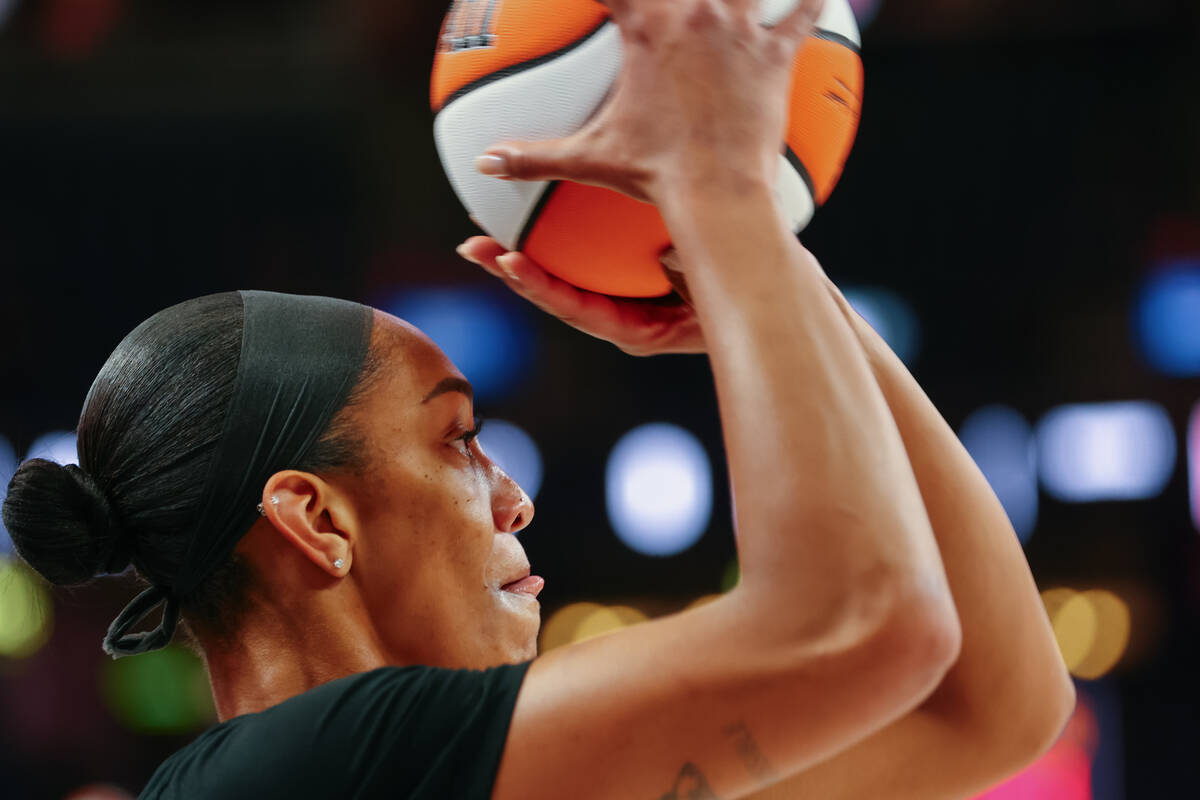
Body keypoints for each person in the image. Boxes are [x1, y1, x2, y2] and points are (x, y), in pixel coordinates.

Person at [2, 0, 1075, 797]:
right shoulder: (307, 766)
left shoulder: (426, 771)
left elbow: (992, 706)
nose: (513, 497)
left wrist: (791, 289)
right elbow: (869, 624)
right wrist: (722, 191)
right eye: (459, 440)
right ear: (314, 517)